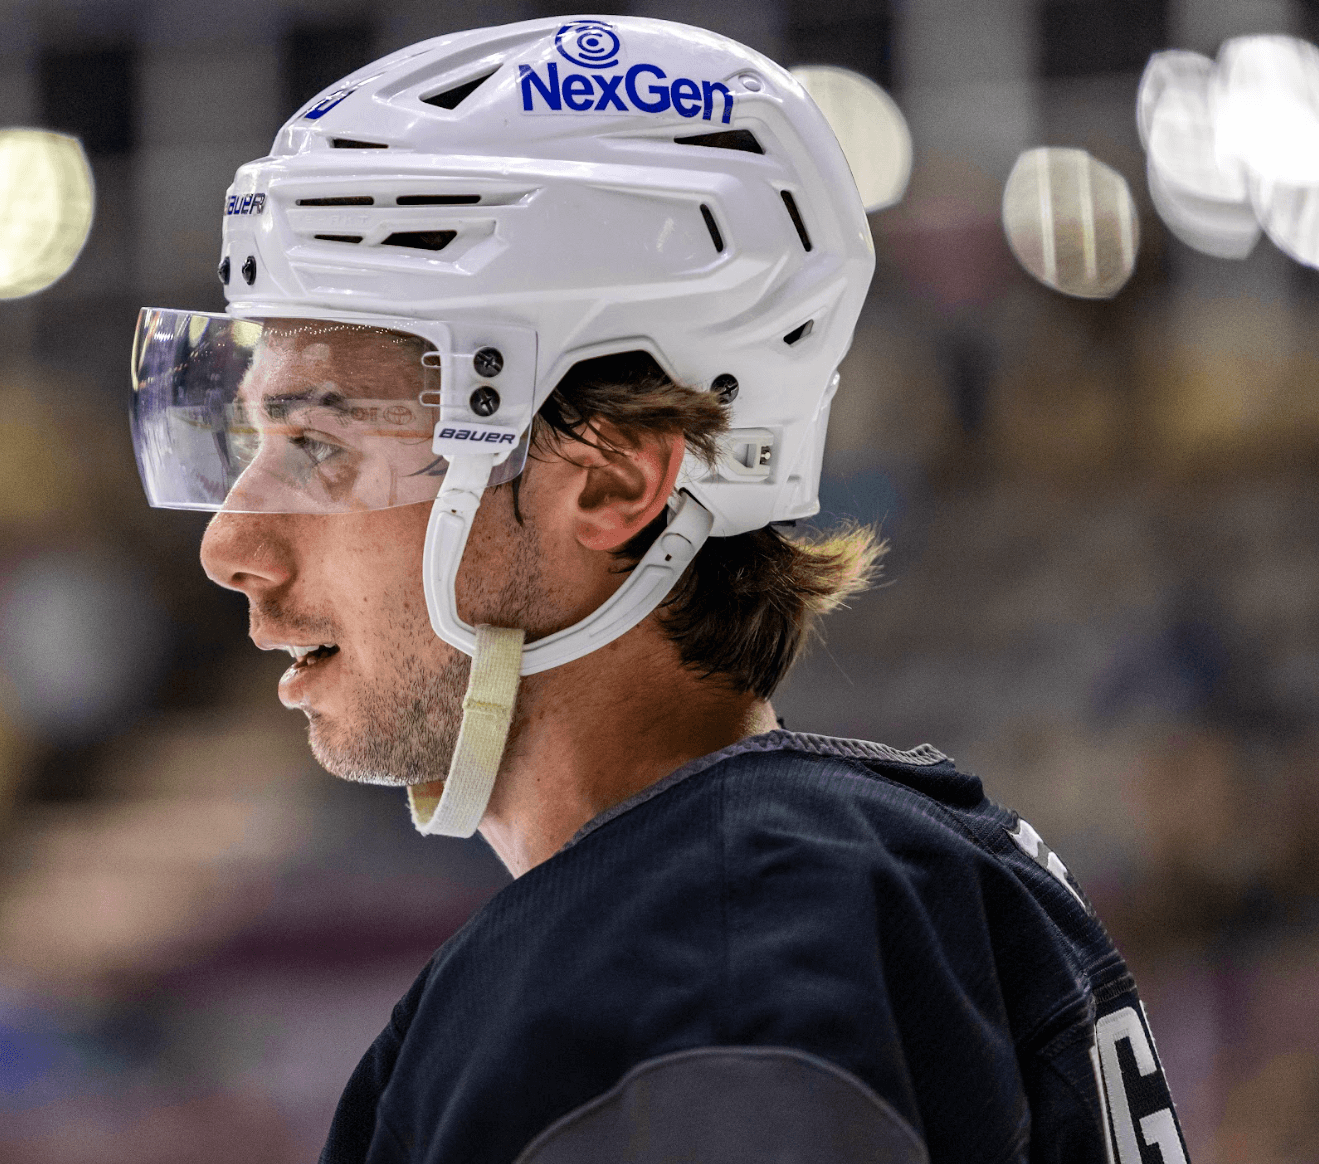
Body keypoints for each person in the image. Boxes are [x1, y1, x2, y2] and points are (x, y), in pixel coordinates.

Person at [128, 15, 1191, 1162]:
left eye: (323, 441)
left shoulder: (711, 956)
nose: (230, 541)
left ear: (613, 479)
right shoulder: (810, 896)